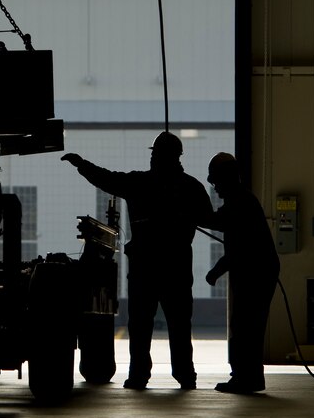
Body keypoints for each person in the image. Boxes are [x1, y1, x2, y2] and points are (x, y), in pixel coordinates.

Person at [62, 131, 213, 390]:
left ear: (162, 155)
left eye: (155, 153)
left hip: (145, 267)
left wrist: (81, 164)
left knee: (141, 325)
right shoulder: (191, 187)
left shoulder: (140, 184)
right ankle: (185, 375)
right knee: (178, 324)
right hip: (176, 267)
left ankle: (139, 375)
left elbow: (106, 178)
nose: (153, 157)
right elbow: (210, 220)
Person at [204, 152, 280, 394]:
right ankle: (249, 377)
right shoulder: (242, 201)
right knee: (249, 327)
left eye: (216, 182)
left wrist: (216, 270)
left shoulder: (240, 203)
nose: (215, 188)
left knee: (245, 327)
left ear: (226, 178)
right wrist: (217, 271)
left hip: (255, 275)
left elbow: (215, 222)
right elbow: (236, 247)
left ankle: (244, 378)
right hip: (258, 272)